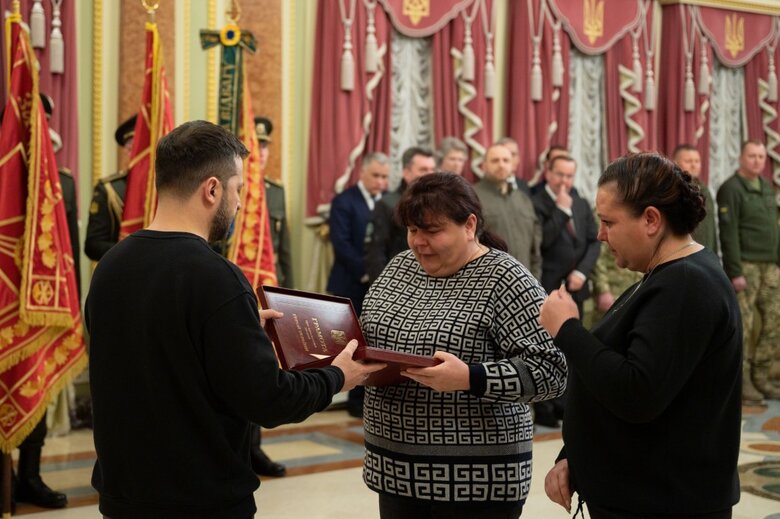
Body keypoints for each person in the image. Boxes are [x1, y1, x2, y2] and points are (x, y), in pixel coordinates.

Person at [86, 120, 383, 518]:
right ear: (212, 189)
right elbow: (269, 400)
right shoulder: (218, 277)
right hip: (200, 501)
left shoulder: (110, 265)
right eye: (239, 188)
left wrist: (232, 328)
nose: (241, 202)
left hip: (123, 497)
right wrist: (337, 376)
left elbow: (153, 349)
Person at [541, 152, 741, 518]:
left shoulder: (686, 284)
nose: (600, 235)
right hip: (642, 494)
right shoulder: (667, 274)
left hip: (666, 503)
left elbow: (636, 393)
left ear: (651, 219)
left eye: (608, 222)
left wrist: (567, 329)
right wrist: (575, 455)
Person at [361, 172, 567, 519]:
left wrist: (472, 377)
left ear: (469, 225)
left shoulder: (506, 278)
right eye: (413, 230)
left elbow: (552, 371)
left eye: (432, 231)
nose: (418, 242)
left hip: (476, 480)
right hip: (395, 470)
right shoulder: (400, 267)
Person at [0, 94, 72, 510]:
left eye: (45, 119)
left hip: (46, 306)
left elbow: (62, 250)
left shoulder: (63, 182)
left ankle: (30, 476)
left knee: (37, 390)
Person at [531, 156, 599, 428]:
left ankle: (564, 403)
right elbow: (542, 243)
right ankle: (545, 407)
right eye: (559, 175)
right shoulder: (536, 203)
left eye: (569, 176)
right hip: (547, 286)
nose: (564, 182)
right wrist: (559, 212)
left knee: (571, 346)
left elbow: (594, 241)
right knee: (547, 346)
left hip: (575, 288)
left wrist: (582, 272)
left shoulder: (580, 202)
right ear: (547, 172)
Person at [717, 140, 780, 404]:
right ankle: (741, 382)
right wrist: (735, 270)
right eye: (751, 156)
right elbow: (728, 233)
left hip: (770, 266)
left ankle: (762, 377)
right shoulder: (731, 189)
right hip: (746, 266)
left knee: (774, 320)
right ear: (741, 157)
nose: (757, 161)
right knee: (742, 326)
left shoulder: (766, 187)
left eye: (761, 156)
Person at [364, 147, 436, 282]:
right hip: (397, 281)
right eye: (423, 170)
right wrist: (380, 288)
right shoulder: (387, 204)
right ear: (406, 172)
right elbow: (376, 252)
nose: (430, 174)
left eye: (432, 169)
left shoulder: (439, 203)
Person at [474, 143, 542, 279]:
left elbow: (535, 248)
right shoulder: (472, 197)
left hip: (526, 283)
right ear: (484, 165)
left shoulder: (523, 199)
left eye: (506, 160)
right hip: (489, 283)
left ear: (513, 166)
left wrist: (535, 280)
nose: (501, 165)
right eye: (495, 160)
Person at [84, 114, 136, 261]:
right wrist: (132, 250)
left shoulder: (170, 187)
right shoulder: (109, 189)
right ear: (127, 151)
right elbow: (92, 245)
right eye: (134, 148)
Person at [256, 116, 294, 289]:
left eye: (265, 146)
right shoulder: (233, 191)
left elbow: (285, 247)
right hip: (239, 274)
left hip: (272, 276)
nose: (262, 152)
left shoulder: (277, 191)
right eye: (256, 145)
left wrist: (290, 287)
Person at [672, 144, 719, 254]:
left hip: (705, 254)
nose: (694, 165)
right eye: (688, 161)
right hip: (684, 255)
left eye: (697, 161)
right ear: (675, 163)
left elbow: (711, 228)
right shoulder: (672, 191)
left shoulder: (704, 190)